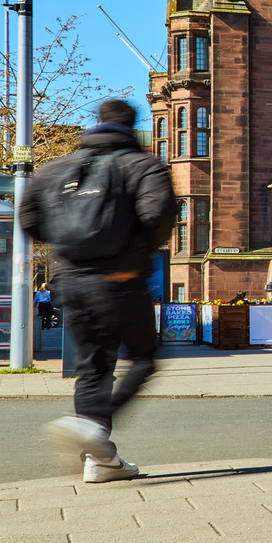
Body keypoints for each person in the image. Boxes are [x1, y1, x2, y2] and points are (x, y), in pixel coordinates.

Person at [20, 99, 175, 483]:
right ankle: (92, 435)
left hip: (70, 280)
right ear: (133, 126)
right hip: (120, 280)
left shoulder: (56, 168)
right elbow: (158, 216)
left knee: (92, 368)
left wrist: (71, 246)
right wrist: (129, 252)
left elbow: (27, 219)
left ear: (97, 124)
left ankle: (98, 460)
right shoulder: (143, 165)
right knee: (142, 359)